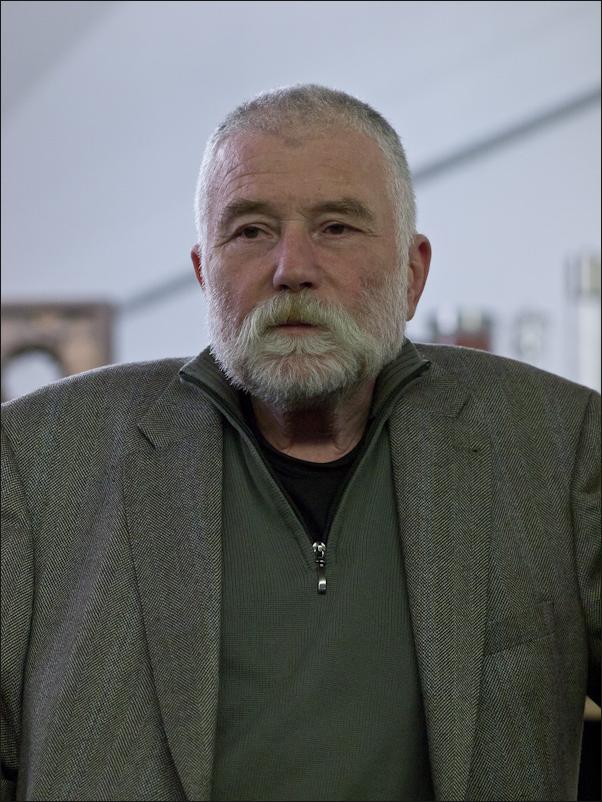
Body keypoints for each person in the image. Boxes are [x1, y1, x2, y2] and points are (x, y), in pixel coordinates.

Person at [0, 84, 599, 802]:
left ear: (413, 274)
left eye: (337, 227)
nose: (292, 268)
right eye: (251, 230)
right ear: (204, 273)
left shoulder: (557, 446)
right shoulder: (40, 460)